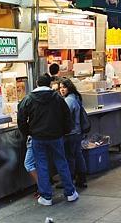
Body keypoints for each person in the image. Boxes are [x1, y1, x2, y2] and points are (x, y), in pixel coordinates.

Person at [18, 74, 78, 206]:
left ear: (37, 84)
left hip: (38, 138)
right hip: (56, 137)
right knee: (62, 163)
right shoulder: (57, 98)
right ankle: (70, 193)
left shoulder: (28, 99)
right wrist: (64, 131)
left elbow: (21, 119)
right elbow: (67, 116)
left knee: (42, 165)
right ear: (49, 84)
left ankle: (46, 197)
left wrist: (28, 132)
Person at [59, 79, 88, 188]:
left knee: (69, 157)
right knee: (78, 155)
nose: (61, 89)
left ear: (69, 88)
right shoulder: (75, 98)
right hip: (77, 131)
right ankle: (82, 178)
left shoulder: (69, 100)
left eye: (64, 87)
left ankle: (69, 180)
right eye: (60, 87)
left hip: (71, 133)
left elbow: (64, 117)